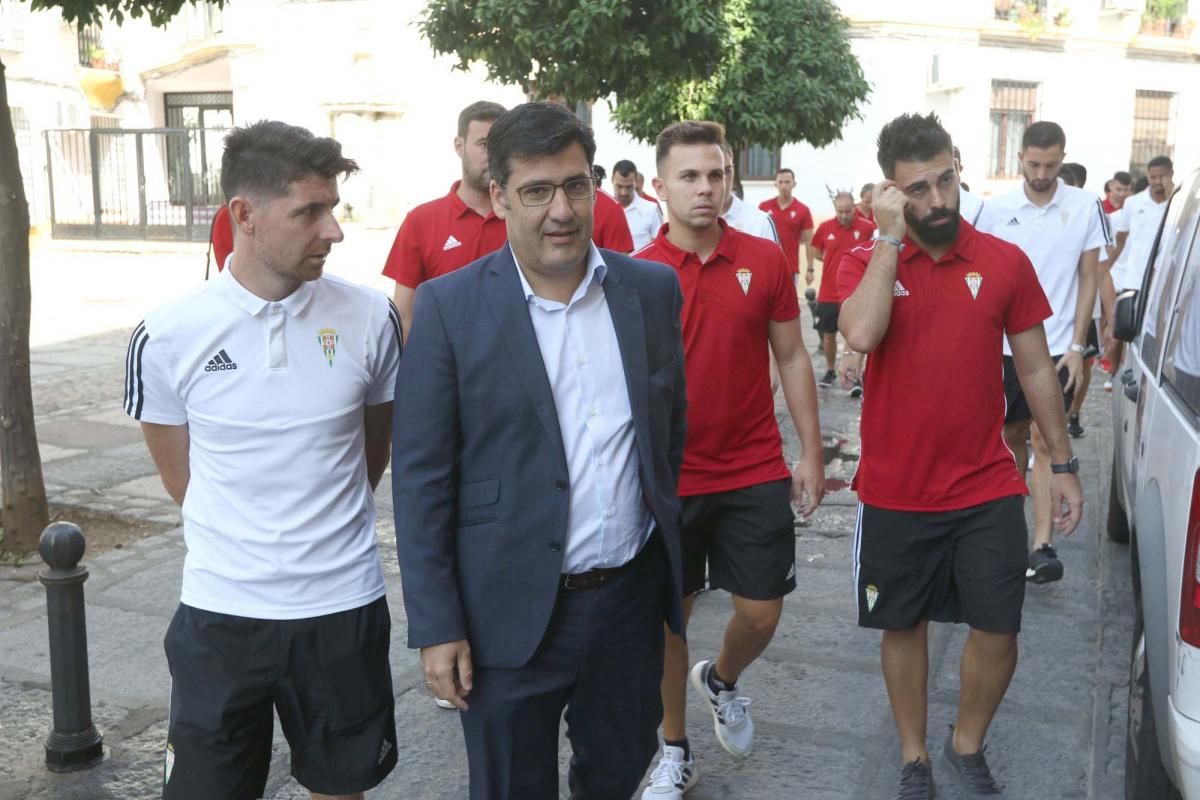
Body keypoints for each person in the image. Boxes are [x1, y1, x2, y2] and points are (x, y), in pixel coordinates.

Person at [392, 101, 687, 800]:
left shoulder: (650, 291)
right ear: (498, 197)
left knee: (615, 780)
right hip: (505, 617)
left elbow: (666, 433)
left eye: (576, 185)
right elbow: (421, 477)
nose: (562, 210)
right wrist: (437, 626)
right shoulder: (449, 308)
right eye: (537, 191)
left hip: (625, 608)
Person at [125, 120, 400, 800]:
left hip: (342, 607)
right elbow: (179, 476)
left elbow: (372, 452)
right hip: (222, 613)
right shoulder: (166, 336)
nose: (332, 229)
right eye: (309, 211)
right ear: (244, 216)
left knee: (343, 788)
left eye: (333, 207)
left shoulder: (370, 319)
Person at [838, 111, 1083, 800]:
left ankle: (964, 746)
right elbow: (858, 332)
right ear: (890, 191)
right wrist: (890, 239)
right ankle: (915, 758)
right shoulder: (868, 260)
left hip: (985, 485)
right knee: (901, 623)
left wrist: (1061, 464)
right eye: (918, 189)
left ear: (958, 166)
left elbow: (1035, 370)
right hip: (895, 489)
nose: (938, 200)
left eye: (945, 180)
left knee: (1000, 630)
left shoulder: (1004, 261)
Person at [636, 120, 825, 799]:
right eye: (689, 176)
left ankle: (722, 680)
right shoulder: (637, 275)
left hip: (752, 468)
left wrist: (809, 451)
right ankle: (673, 746)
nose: (705, 188)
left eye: (716, 174)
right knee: (669, 620)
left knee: (762, 612)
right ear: (660, 188)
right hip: (668, 479)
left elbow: (794, 355)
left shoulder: (764, 258)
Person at [975, 121, 1107, 585]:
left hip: (1056, 349)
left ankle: (1041, 545)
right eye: (1033, 164)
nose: (1042, 173)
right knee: (1011, 438)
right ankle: (1011, 529)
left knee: (1048, 442)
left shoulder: (1086, 205)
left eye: (1050, 165)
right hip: (1006, 348)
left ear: (1062, 159)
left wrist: (1078, 345)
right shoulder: (995, 211)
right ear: (1020, 160)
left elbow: (1089, 276)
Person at [382, 100, 508, 340]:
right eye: (484, 144)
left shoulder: (523, 216)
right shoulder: (421, 221)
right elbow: (405, 315)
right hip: (447, 370)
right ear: (459, 146)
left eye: (501, 145)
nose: (493, 155)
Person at [1102, 156, 1175, 376]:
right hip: (1133, 282)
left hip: (1164, 282)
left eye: (1162, 176)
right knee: (1122, 331)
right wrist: (1105, 268)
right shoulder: (1134, 203)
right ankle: (1115, 373)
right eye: (1153, 177)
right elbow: (1121, 238)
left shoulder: (1178, 203)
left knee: (1156, 335)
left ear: (1171, 174)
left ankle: (1148, 376)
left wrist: (1172, 193)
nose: (1157, 181)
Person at [811, 191, 875, 390]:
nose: (844, 215)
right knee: (828, 334)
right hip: (829, 291)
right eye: (840, 212)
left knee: (856, 335)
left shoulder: (867, 228)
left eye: (848, 211)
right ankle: (830, 371)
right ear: (835, 209)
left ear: (854, 207)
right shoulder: (825, 227)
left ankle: (856, 374)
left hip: (857, 293)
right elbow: (816, 251)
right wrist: (834, 263)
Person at [759, 167, 814, 286]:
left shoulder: (803, 210)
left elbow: (809, 240)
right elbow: (755, 236)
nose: (784, 186)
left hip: (790, 269)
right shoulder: (763, 207)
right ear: (775, 184)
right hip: (766, 268)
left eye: (787, 182)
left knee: (788, 304)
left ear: (794, 184)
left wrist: (810, 269)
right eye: (781, 182)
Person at [718, 143, 778, 243]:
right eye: (715, 173)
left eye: (728, 170)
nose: (723, 179)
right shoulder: (685, 224)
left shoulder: (759, 222)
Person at [613, 158, 664, 250]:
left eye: (629, 187)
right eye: (619, 186)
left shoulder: (651, 209)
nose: (624, 192)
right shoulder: (603, 210)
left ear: (636, 182)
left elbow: (660, 246)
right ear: (612, 180)